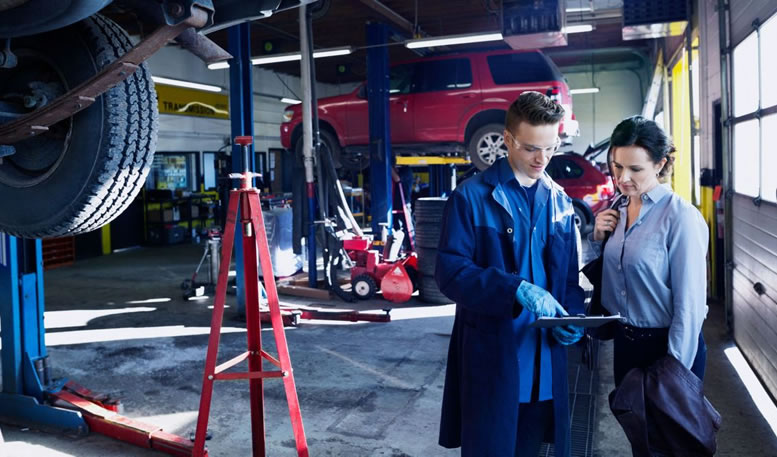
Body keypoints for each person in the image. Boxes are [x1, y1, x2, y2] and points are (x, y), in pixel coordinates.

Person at [435, 91, 585, 457]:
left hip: (543, 363)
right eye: (532, 147)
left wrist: (574, 319)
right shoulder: (470, 198)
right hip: (494, 359)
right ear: (507, 139)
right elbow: (450, 272)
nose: (542, 159)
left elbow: (568, 283)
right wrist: (515, 288)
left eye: (551, 148)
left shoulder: (560, 203)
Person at [591, 115, 708, 389]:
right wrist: (599, 238)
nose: (623, 178)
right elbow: (622, 271)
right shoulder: (618, 207)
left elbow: (689, 307)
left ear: (660, 164)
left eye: (635, 169)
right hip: (625, 344)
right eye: (617, 166)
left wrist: (675, 371)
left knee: (667, 430)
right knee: (634, 429)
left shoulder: (680, 217)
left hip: (666, 348)